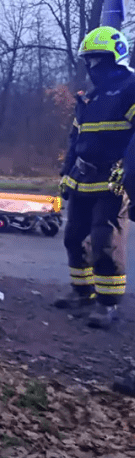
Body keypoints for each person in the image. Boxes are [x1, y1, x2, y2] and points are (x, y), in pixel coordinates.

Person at [54, 26, 135, 330]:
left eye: (97, 58)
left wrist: (131, 176)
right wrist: (66, 173)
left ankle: (107, 304)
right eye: (89, 59)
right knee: (74, 237)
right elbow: (76, 138)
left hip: (112, 182)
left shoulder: (130, 88)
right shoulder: (90, 97)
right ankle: (82, 293)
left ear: (115, 57)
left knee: (104, 241)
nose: (92, 65)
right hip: (82, 178)